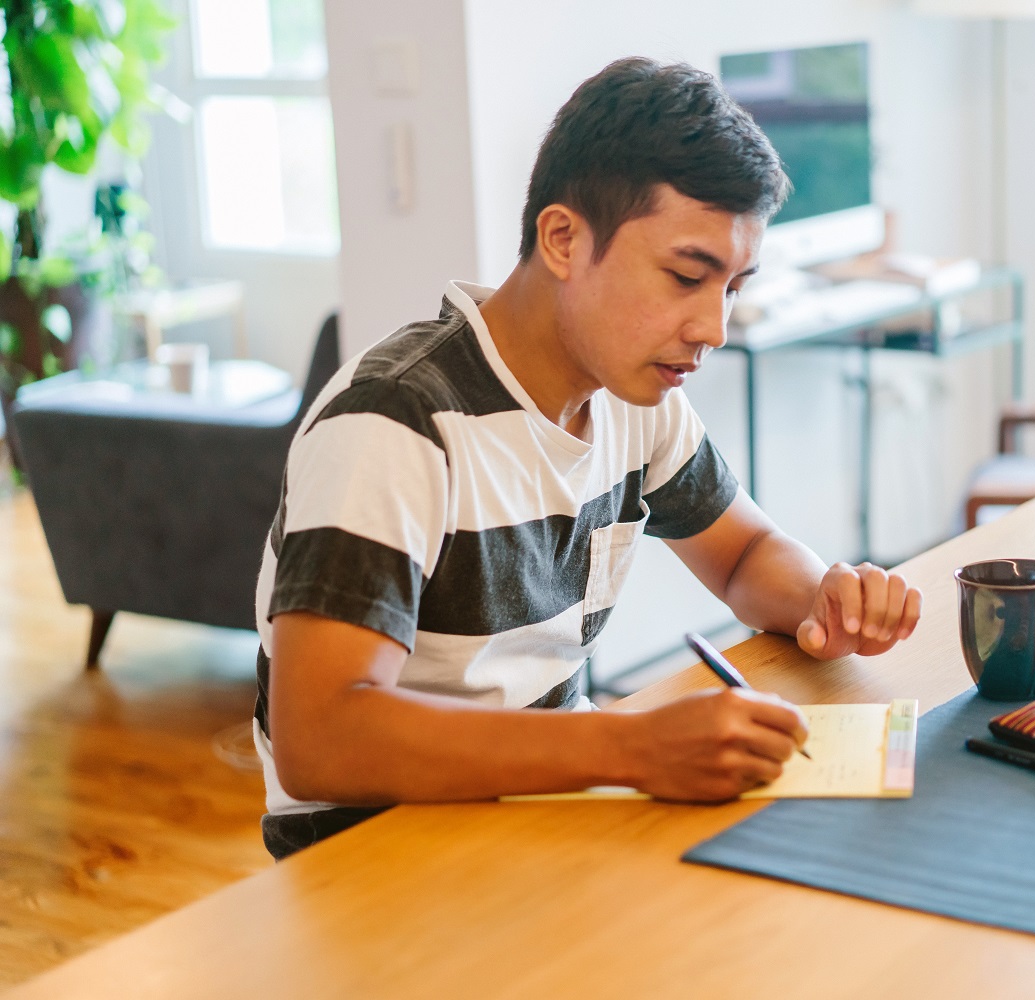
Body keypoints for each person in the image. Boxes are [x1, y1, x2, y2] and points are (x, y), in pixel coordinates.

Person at [254, 56, 923, 859]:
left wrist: (825, 597)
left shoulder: (633, 403)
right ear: (564, 238)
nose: (713, 326)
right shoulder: (396, 423)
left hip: (541, 816)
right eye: (686, 276)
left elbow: (744, 553)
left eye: (734, 288)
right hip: (377, 850)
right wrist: (630, 747)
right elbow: (321, 736)